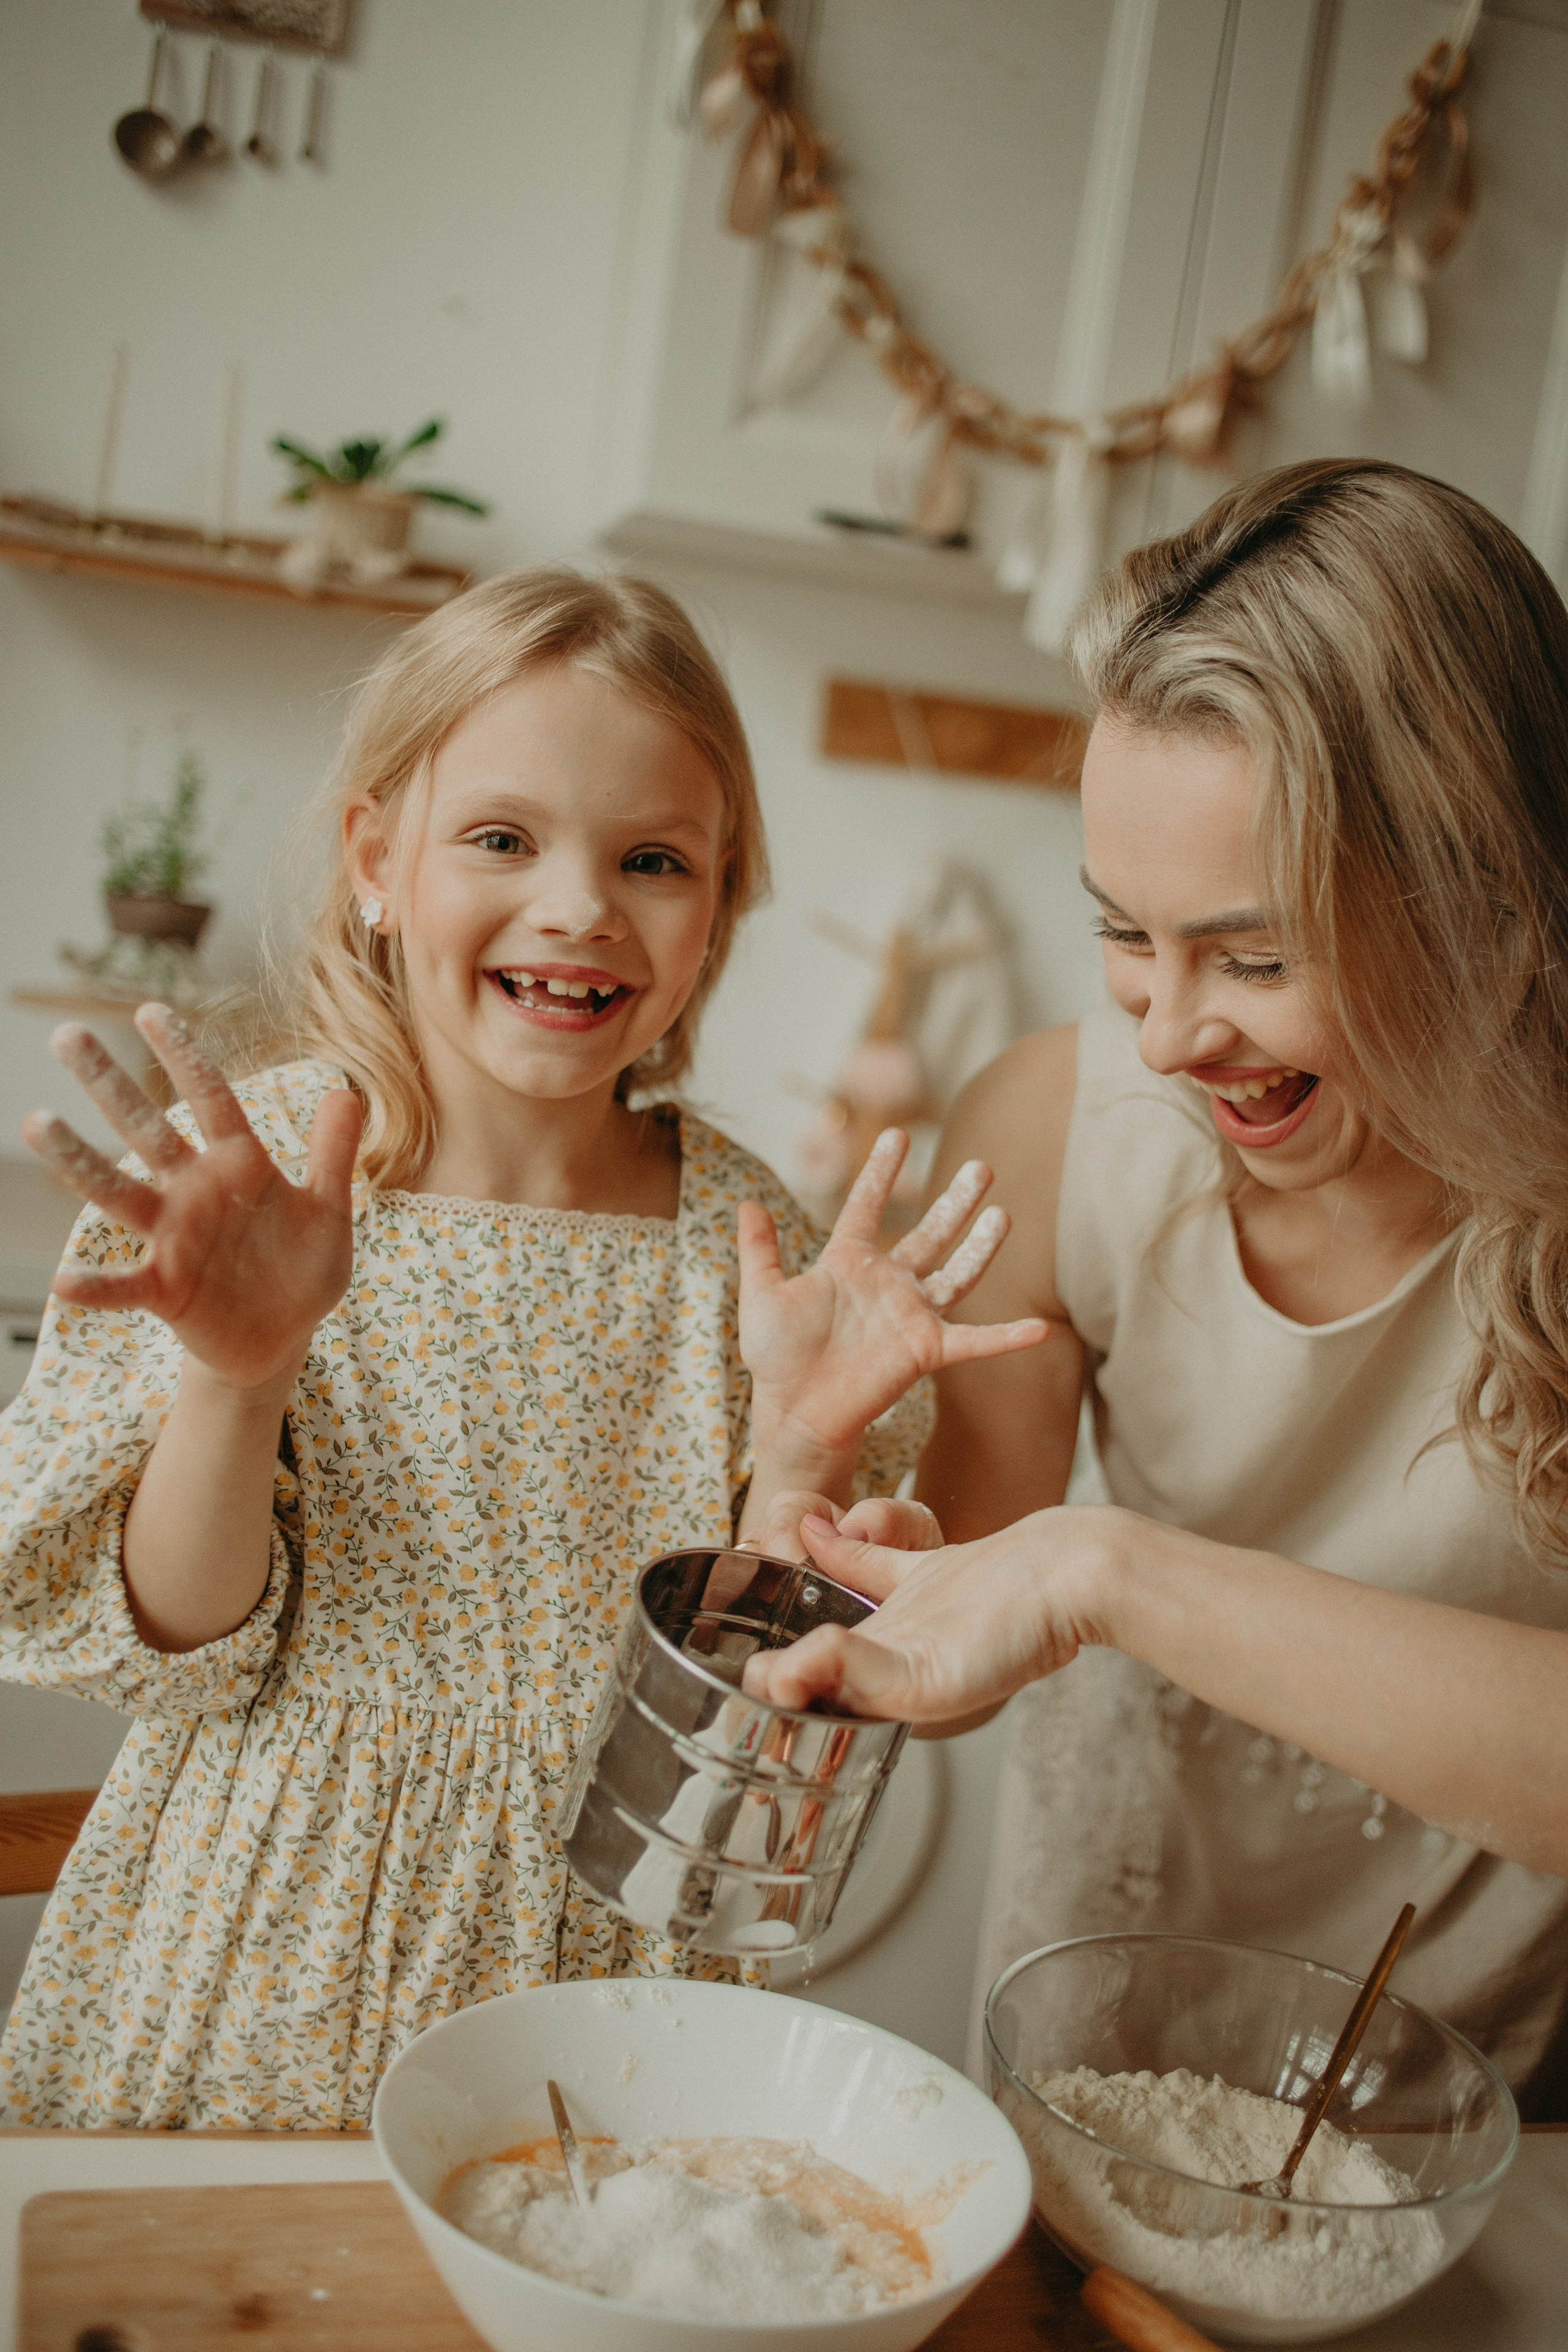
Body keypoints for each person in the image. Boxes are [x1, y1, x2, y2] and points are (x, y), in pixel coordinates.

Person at [0, 567, 1045, 2130]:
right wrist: (241, 1368)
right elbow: (182, 1644)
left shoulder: (746, 1241)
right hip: (264, 1950)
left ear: (718, 908)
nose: (578, 907)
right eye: (502, 838)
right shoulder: (256, 1194)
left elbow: (743, 1711)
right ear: (377, 859)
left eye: (652, 860)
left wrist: (803, 1458)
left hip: (607, 1997)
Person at [746, 461, 1568, 2117]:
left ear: (1490, 907)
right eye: (1125, 932)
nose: (1168, 1033)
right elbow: (955, 1661)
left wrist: (1110, 1571)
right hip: (1085, 2055)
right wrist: (815, 1492)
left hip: (1473, 2111)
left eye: (1257, 960)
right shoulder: (1060, 1136)